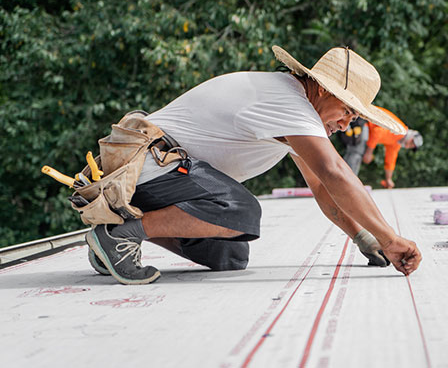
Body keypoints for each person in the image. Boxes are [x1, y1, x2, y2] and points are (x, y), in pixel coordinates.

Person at [85, 45, 422, 285]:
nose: (347, 124)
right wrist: (390, 238)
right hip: (145, 165)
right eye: (347, 110)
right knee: (242, 212)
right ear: (321, 89)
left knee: (231, 255)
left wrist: (364, 237)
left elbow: (321, 186)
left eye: (355, 117)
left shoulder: (297, 115)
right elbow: (335, 174)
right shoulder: (289, 102)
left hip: (159, 173)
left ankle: (112, 241)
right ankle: (119, 235)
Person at [362, 107, 423, 189]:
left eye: (412, 147)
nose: (409, 146)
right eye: (412, 142)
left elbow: (390, 160)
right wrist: (369, 153)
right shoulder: (399, 132)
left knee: (358, 152)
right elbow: (377, 132)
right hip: (364, 119)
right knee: (356, 152)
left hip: (368, 128)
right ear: (411, 135)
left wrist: (388, 179)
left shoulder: (397, 143)